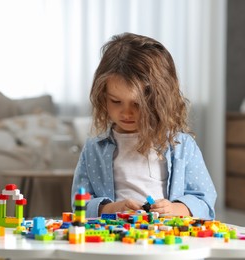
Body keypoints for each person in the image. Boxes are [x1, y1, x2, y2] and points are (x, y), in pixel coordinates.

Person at [71, 32, 217, 219]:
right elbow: (79, 203)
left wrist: (174, 210)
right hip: (114, 238)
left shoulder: (181, 146)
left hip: (165, 240)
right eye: (116, 101)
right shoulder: (94, 148)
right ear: (103, 96)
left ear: (159, 101)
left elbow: (204, 201)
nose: (126, 113)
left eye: (137, 104)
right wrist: (112, 209)